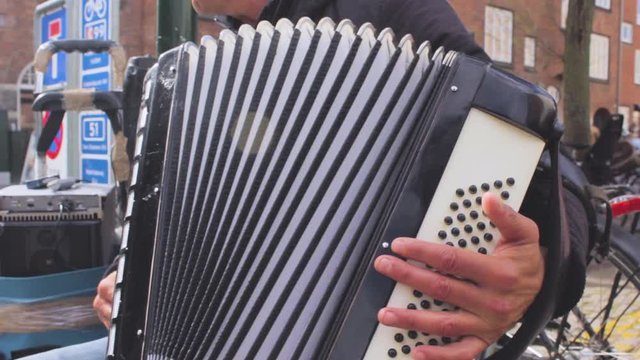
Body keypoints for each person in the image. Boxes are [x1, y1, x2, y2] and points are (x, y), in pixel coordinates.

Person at [25, 0, 588, 359]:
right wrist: (127, 280)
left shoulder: (390, 11)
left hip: (375, 335)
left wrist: (537, 275)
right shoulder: (190, 70)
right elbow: (166, 213)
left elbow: (547, 166)